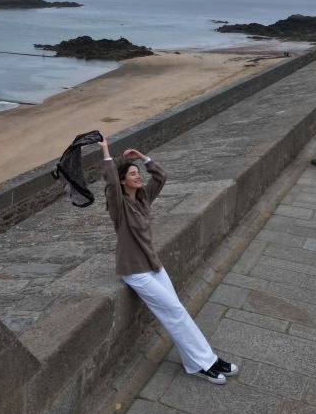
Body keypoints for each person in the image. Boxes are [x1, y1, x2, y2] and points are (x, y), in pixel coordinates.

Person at [99, 137, 238, 384]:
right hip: (135, 271)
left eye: (138, 173)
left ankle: (198, 361)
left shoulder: (142, 199)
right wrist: (106, 152)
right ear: (122, 180)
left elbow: (161, 176)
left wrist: (143, 157)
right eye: (132, 174)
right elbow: (110, 183)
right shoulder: (119, 207)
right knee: (174, 312)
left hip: (153, 265)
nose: (137, 177)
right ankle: (205, 362)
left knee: (177, 312)